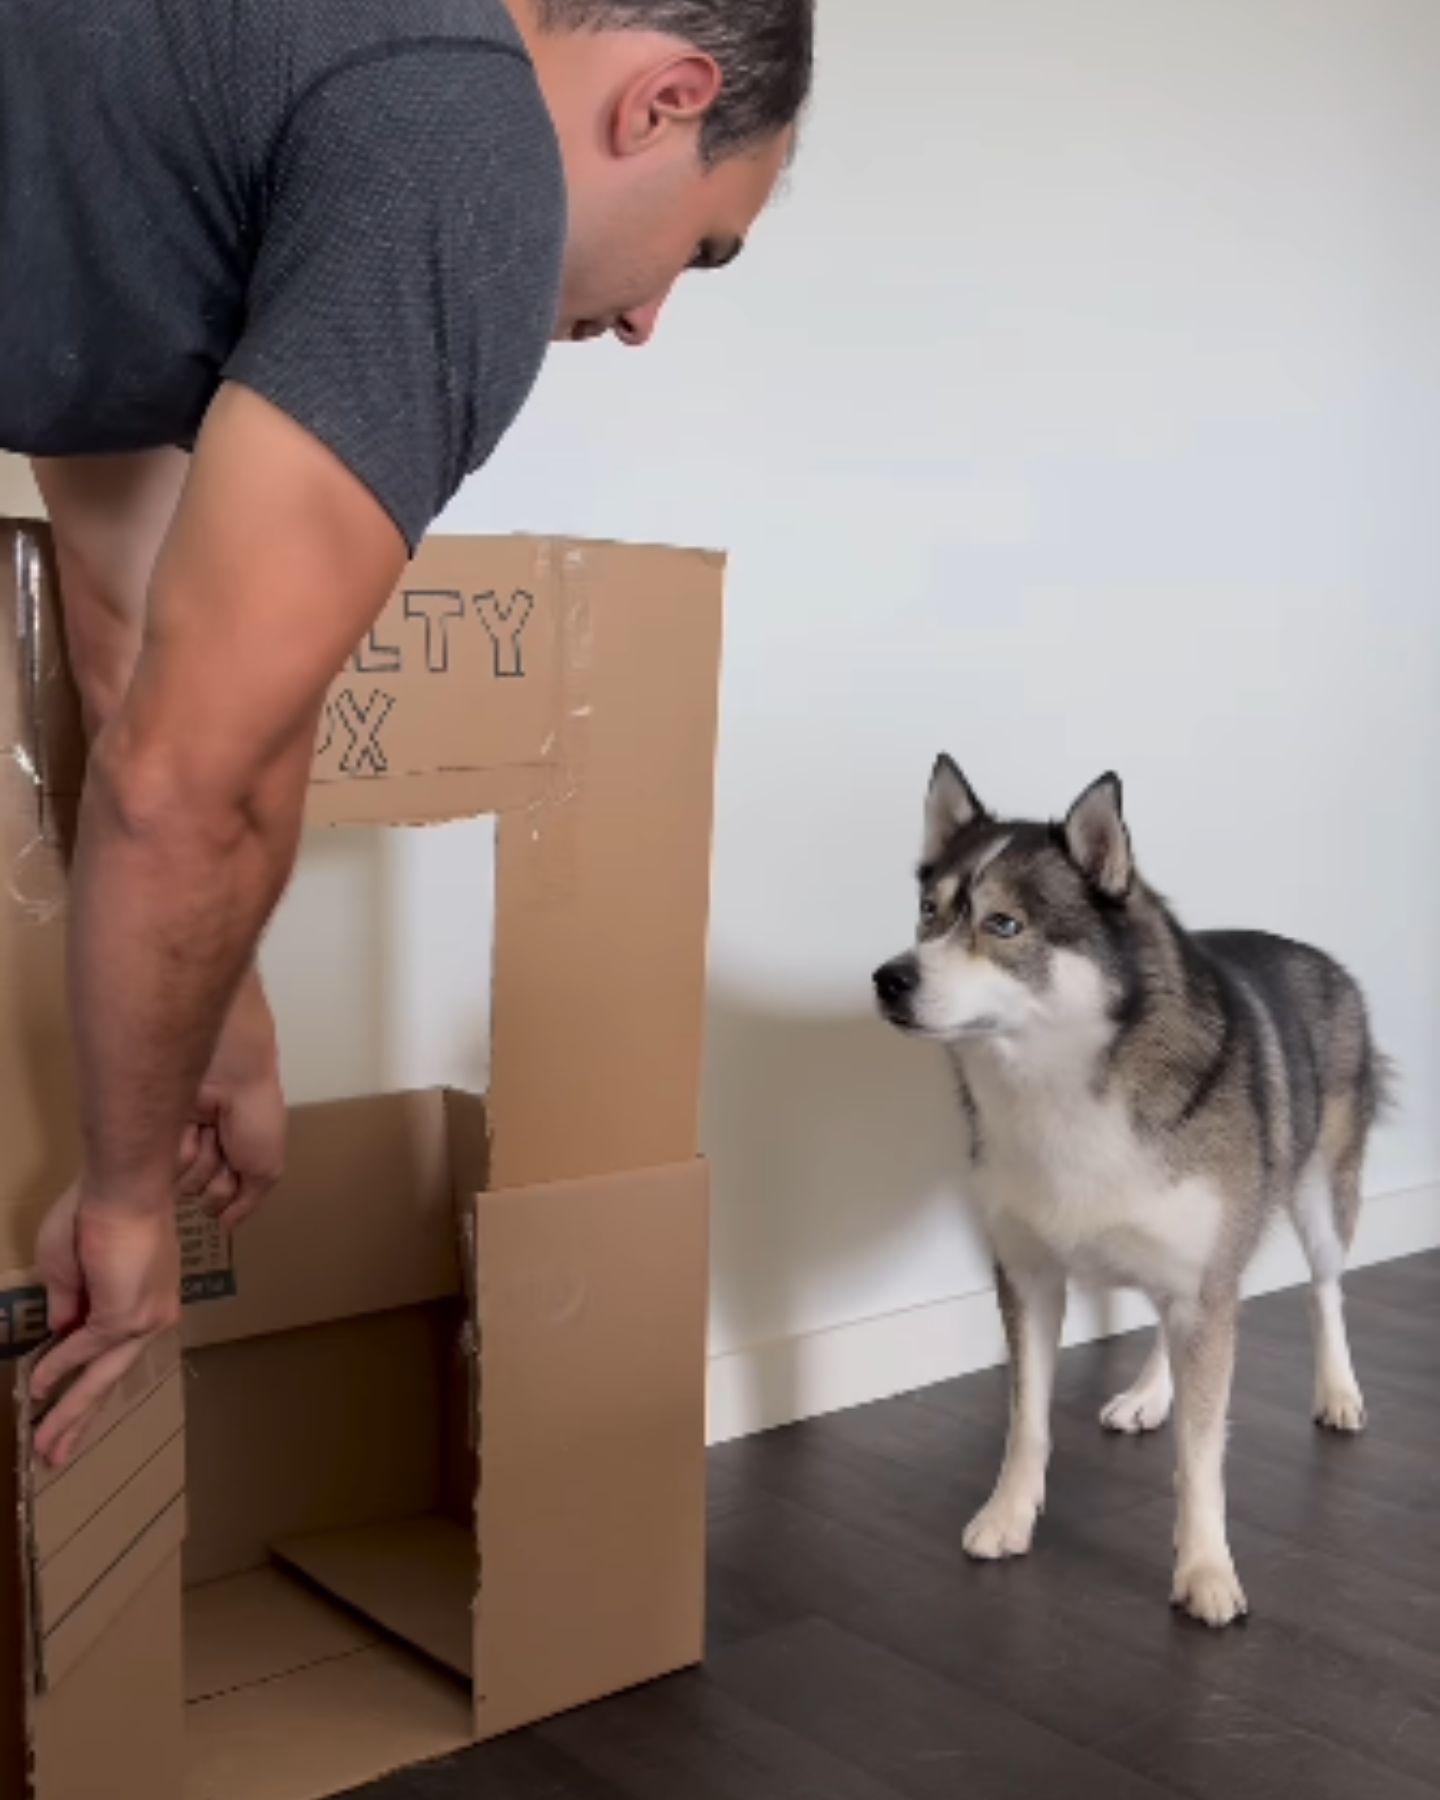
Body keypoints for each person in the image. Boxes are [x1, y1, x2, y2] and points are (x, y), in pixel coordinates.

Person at [0, 0, 814, 1464]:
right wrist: (125, 1199)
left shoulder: (244, 92)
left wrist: (219, 1010)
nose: (644, 320)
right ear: (665, 101)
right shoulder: (463, 139)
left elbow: (132, 644)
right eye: (699, 249)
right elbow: (198, 777)